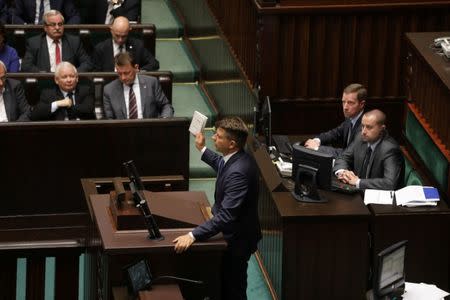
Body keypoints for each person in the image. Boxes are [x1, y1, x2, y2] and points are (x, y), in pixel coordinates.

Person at [173, 117, 262, 300]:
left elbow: (226, 216)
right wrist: (202, 148)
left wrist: (192, 235)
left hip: (237, 240)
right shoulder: (235, 158)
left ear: (231, 143)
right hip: (233, 233)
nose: (213, 138)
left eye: (218, 136)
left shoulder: (239, 172)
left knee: (234, 289)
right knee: (224, 284)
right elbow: (221, 164)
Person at [333, 109, 404, 190]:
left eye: (369, 127)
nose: (363, 131)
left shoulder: (390, 149)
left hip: (379, 198)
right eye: (362, 126)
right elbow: (343, 157)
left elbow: (389, 183)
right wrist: (343, 172)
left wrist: (358, 182)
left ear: (382, 128)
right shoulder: (360, 138)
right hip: (358, 192)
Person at [103, 52, 173, 119]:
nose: (123, 77)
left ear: (136, 68)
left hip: (149, 129)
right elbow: (109, 119)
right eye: (119, 74)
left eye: (126, 73)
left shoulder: (151, 83)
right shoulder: (109, 90)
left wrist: (164, 120)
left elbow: (165, 106)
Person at [305, 83, 367, 157]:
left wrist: (316, 148)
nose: (345, 107)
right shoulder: (350, 119)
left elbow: (350, 154)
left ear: (361, 104)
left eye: (350, 103)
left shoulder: (365, 127)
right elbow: (334, 133)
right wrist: (316, 141)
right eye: (343, 102)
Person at [21, 10, 92, 72]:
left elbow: (87, 63)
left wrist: (71, 74)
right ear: (45, 28)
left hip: (68, 82)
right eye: (53, 25)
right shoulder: (34, 43)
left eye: (60, 24)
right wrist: (42, 74)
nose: (57, 28)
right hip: (45, 83)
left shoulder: (74, 41)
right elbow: (26, 66)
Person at [31, 61, 95, 120]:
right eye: (64, 77)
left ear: (77, 78)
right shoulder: (48, 93)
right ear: (56, 80)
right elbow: (35, 114)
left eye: (72, 76)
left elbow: (88, 110)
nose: (69, 80)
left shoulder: (86, 90)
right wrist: (57, 104)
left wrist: (70, 105)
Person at [93, 16, 159, 72]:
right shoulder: (101, 48)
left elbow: (154, 63)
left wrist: (139, 72)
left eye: (124, 36)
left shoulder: (137, 45)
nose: (120, 40)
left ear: (129, 31)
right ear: (111, 30)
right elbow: (95, 72)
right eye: (117, 35)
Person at [12, 0, 80, 24]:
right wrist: (26, 27)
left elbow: (74, 17)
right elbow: (15, 16)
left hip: (56, 34)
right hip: (31, 34)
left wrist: (62, 30)